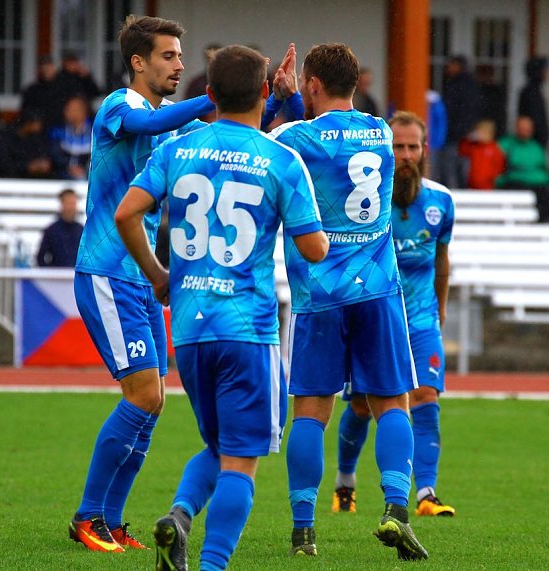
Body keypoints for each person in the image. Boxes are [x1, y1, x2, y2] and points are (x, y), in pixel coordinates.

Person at [116, 43, 327, 571]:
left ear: (207, 94)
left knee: (217, 444)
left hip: (189, 329)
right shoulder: (281, 159)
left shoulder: (179, 147)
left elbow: (127, 213)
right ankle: (210, 565)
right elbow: (314, 248)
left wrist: (158, 274)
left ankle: (182, 515)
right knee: (242, 459)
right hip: (248, 328)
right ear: (263, 92)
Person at [270, 42, 428, 561]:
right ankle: (397, 510)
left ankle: (302, 532)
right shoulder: (382, 133)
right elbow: (335, 143)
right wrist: (302, 102)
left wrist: (281, 101)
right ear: (356, 83)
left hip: (319, 296)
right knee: (392, 404)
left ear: (312, 84)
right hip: (380, 290)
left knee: (311, 414)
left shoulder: (294, 137)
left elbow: (280, 148)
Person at [68, 14, 219, 554]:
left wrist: (269, 99)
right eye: (169, 56)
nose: (179, 64)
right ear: (139, 62)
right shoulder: (119, 106)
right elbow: (151, 126)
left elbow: (229, 129)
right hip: (107, 273)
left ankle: (110, 522)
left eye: (181, 56)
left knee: (154, 403)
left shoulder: (172, 121)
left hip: (139, 279)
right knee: (145, 394)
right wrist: (209, 96)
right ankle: (87, 517)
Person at [332, 110, 456, 518]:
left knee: (425, 397)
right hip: (376, 318)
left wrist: (438, 311)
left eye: (412, 147)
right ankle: (345, 484)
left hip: (421, 320)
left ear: (423, 151)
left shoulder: (441, 202)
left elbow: (441, 261)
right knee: (363, 407)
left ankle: (426, 494)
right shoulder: (368, 201)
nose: (404, 155)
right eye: (397, 146)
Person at [497, 115, 549, 221]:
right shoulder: (506, 144)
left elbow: (542, 167)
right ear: (517, 128)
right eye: (523, 127)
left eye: (528, 128)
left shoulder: (536, 147)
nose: (526, 130)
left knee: (545, 195)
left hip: (537, 183)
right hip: (514, 180)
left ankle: (543, 223)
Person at [440, 55, 480, 189]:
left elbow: (454, 110)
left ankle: (453, 195)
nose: (448, 68)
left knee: (451, 169)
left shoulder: (457, 86)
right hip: (463, 134)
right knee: (460, 170)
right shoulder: (469, 85)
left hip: (455, 135)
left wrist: (454, 130)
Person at [0, 110, 55, 178]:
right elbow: (4, 163)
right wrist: (26, 167)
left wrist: (41, 164)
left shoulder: (36, 138)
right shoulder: (7, 137)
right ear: (28, 124)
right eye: (37, 123)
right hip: (9, 178)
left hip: (32, 178)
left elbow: (43, 155)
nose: (40, 126)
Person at [37, 189, 83, 267]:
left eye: (73, 203)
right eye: (68, 203)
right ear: (61, 204)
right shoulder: (51, 231)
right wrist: (51, 274)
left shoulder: (82, 231)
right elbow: (40, 258)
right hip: (57, 276)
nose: (70, 208)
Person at [50, 95, 93, 180]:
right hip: (63, 179)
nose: (67, 112)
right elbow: (55, 156)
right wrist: (68, 167)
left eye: (73, 109)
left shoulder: (97, 132)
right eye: (67, 109)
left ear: (83, 111)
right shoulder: (57, 132)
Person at [458, 119, 505, 190]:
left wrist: (491, 178)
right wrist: (469, 138)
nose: (481, 135)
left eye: (484, 132)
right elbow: (462, 151)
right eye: (479, 132)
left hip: (487, 186)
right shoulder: (473, 146)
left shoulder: (494, 148)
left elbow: (499, 166)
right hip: (471, 184)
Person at [21, 54, 62, 130]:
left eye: (48, 66)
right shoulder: (32, 90)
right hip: (38, 130)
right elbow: (26, 110)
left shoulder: (63, 89)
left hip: (58, 129)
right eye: (43, 66)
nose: (46, 69)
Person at [517, 56, 549, 148]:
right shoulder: (531, 92)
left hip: (536, 140)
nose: (548, 73)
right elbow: (535, 118)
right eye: (545, 70)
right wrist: (542, 136)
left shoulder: (535, 90)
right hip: (532, 141)